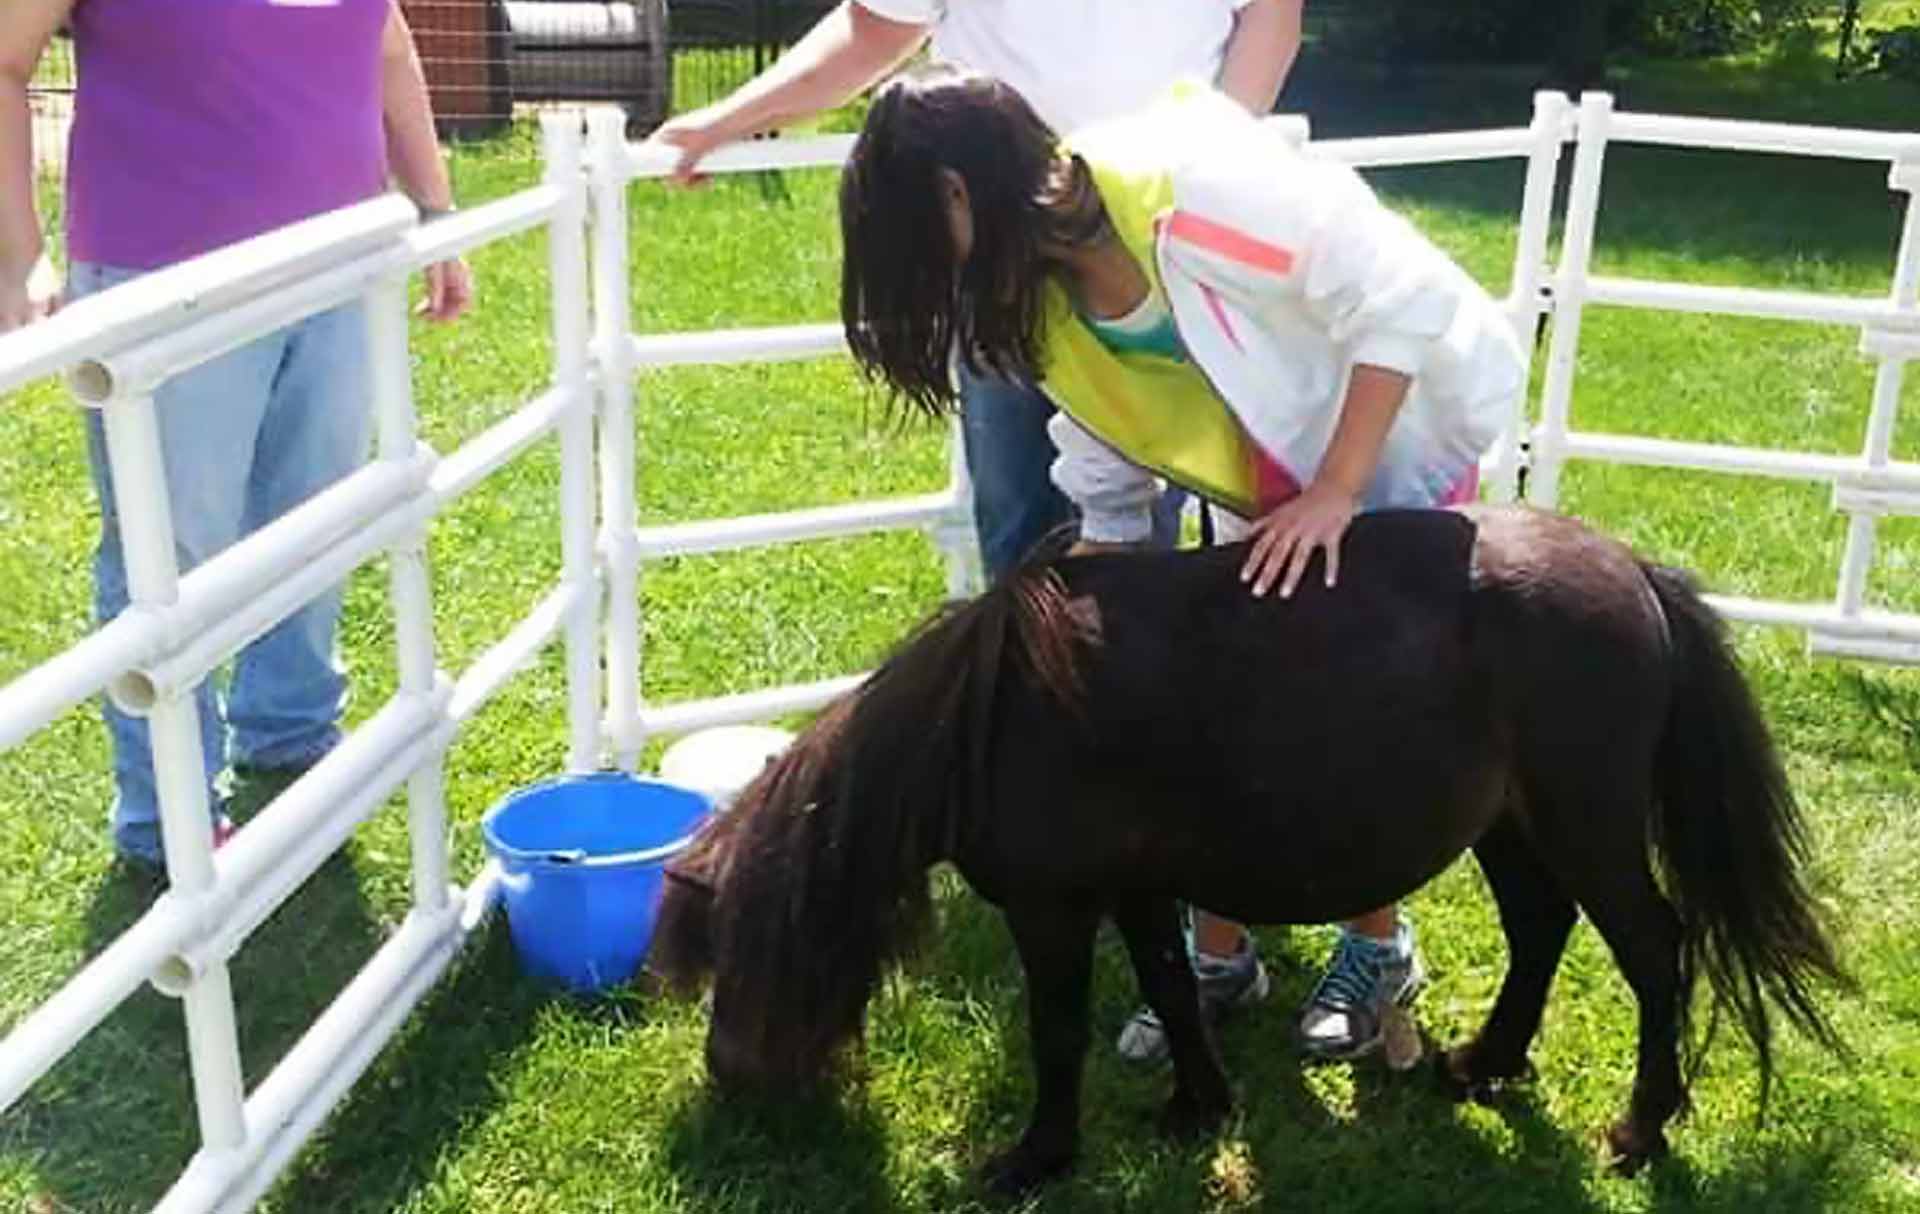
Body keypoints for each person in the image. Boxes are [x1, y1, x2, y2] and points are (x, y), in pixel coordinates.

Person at [645, 0, 1315, 1067]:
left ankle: (1239, 869)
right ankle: (1070, 840)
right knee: (1040, 577)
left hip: (1179, 241)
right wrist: (730, 117)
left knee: (1246, 572)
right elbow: (876, 27)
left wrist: (1189, 177)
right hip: (997, 253)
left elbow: (1271, 18)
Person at [837, 66, 1530, 1062]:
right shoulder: (1032, 292)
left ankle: (1377, 949)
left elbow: (1397, 300)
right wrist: (1083, 602)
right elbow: (1105, 439)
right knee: (1202, 697)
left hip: (1393, 431)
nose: (924, 280)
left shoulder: (1194, 186)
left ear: (958, 191)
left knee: (1343, 705)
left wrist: (1338, 489)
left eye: (914, 243)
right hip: (1270, 469)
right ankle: (1219, 956)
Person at [0, 0, 474, 873]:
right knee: (173, 554)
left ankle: (292, 737)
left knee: (318, 519)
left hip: (340, 261)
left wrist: (436, 210)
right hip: (165, 282)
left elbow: (387, 46)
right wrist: (22, 256)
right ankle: (169, 814)